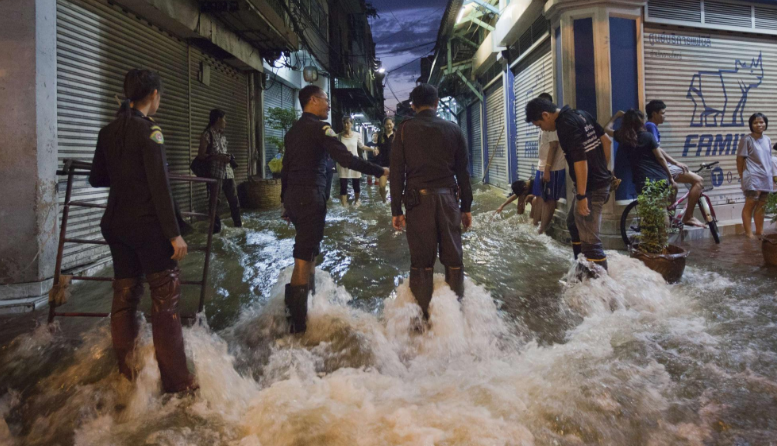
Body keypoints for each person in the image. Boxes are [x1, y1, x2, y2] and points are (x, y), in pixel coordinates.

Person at [89, 68, 196, 393]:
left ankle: (129, 376)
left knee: (124, 300)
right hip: (148, 227)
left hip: (115, 225)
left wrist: (124, 174)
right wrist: (174, 233)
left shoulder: (108, 131)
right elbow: (159, 186)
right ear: (153, 96)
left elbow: (97, 178)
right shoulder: (151, 132)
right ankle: (178, 382)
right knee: (165, 300)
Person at [281, 85, 388, 333]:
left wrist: (285, 203)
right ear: (313, 100)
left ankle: (306, 313)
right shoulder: (321, 129)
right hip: (310, 198)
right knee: (302, 259)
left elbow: (286, 168)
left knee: (308, 254)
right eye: (325, 100)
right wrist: (379, 170)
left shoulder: (293, 131)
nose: (329, 105)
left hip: (295, 198)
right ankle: (297, 329)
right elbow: (346, 159)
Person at [390, 83, 473, 320]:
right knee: (454, 259)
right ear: (437, 104)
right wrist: (466, 207)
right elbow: (463, 174)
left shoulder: (404, 130)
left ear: (413, 106)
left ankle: (422, 322)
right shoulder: (454, 129)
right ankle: (455, 318)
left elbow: (396, 173)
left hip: (418, 203)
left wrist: (396, 210)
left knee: (422, 263)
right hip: (449, 201)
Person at [525, 98, 613, 275]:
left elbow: (580, 160)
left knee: (590, 239)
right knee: (573, 223)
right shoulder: (581, 114)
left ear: (545, 115)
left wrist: (582, 196)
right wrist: (604, 171)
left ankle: (599, 286)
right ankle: (580, 267)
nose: (542, 129)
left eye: (539, 124)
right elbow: (607, 141)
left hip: (591, 188)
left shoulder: (565, 126)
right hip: (597, 182)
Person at [645, 100, 705, 227]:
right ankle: (689, 216)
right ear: (654, 114)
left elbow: (659, 149)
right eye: (663, 113)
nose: (664, 116)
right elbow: (658, 152)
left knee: (674, 187)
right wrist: (675, 163)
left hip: (657, 167)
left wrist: (675, 163)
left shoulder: (650, 127)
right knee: (698, 181)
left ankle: (670, 218)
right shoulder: (650, 126)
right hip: (659, 167)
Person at [604, 109, 676, 194]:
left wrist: (616, 116)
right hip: (658, 176)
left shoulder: (623, 136)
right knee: (666, 197)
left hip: (640, 178)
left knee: (647, 205)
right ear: (641, 122)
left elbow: (606, 129)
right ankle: (672, 206)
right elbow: (660, 158)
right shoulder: (648, 136)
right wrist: (670, 176)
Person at [195, 109, 241, 233]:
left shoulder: (222, 135)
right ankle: (215, 231)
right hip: (215, 173)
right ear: (218, 119)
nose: (225, 122)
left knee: (234, 201)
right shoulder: (207, 134)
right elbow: (201, 155)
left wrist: (227, 157)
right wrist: (217, 157)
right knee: (215, 202)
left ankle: (239, 227)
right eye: (224, 119)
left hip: (228, 172)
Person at [737, 113, 773, 238]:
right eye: (755, 122)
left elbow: (768, 159)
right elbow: (740, 159)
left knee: (762, 205)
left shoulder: (767, 139)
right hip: (752, 178)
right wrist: (742, 175)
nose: (759, 125)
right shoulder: (747, 140)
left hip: (766, 177)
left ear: (766, 124)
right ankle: (749, 233)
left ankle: (760, 231)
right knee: (750, 204)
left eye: (762, 122)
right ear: (751, 125)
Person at [535, 93, 566, 234]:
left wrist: (547, 169)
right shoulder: (544, 120)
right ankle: (537, 225)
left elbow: (554, 146)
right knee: (541, 197)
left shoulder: (552, 121)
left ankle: (543, 229)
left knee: (550, 199)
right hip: (543, 165)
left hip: (554, 167)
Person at [337, 116, 375, 207]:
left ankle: (357, 201)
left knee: (356, 183)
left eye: (348, 123)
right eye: (344, 123)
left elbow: (362, 146)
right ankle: (344, 204)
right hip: (342, 163)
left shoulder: (357, 135)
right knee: (343, 184)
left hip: (354, 162)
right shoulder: (338, 136)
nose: (346, 125)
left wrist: (372, 149)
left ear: (351, 124)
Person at [375, 117, 395, 203]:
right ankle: (384, 200)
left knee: (394, 187)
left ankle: (393, 203)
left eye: (390, 124)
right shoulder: (381, 136)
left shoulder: (397, 135)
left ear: (393, 124)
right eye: (387, 124)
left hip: (395, 164)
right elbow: (378, 147)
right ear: (384, 125)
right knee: (382, 186)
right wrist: (376, 150)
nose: (389, 126)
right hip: (382, 164)